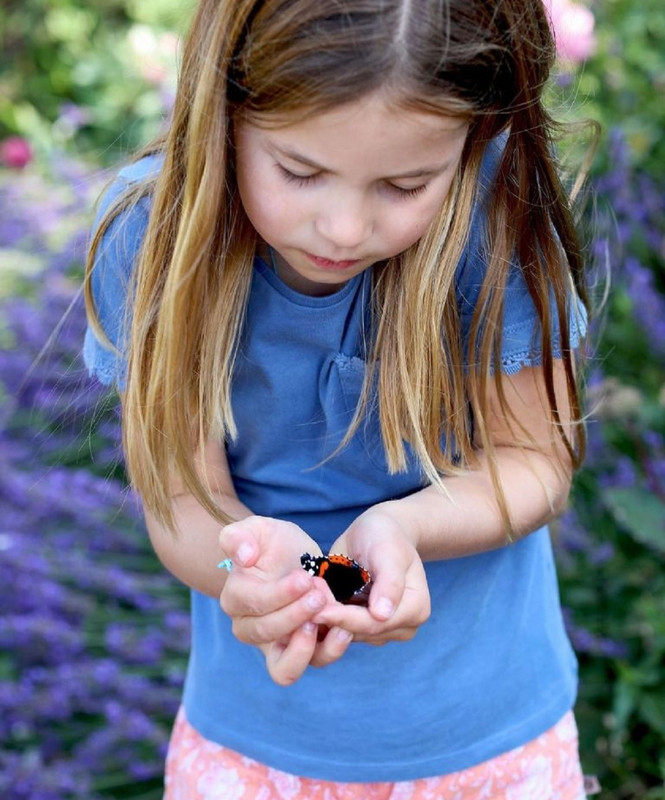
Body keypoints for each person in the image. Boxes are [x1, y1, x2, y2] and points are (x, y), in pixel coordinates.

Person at [83, 0, 593, 797]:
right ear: (225, 111)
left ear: (478, 137)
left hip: (489, 742)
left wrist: (404, 526)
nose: (344, 228)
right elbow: (181, 497)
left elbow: (532, 461)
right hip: (256, 749)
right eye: (299, 172)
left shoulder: (496, 219)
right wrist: (243, 563)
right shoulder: (153, 237)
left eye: (404, 184)